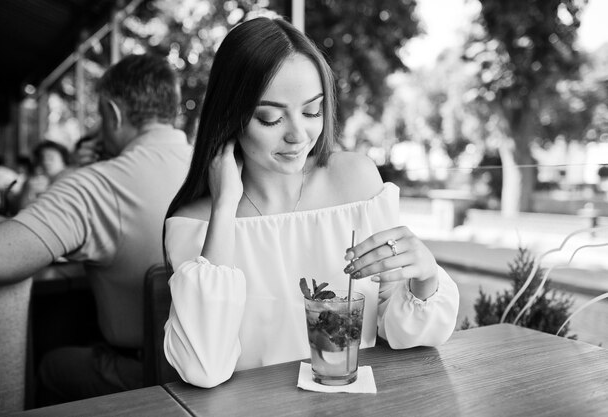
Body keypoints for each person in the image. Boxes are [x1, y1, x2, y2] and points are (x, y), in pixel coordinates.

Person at [162, 17, 459, 389]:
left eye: (312, 111)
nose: (298, 135)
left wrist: (425, 279)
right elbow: (203, 367)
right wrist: (224, 207)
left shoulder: (356, 181)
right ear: (231, 115)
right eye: (270, 118)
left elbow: (398, 328)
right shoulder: (196, 225)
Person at [0, 53, 193, 403]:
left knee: (52, 364)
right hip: (221, 370)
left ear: (113, 112)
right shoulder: (217, 167)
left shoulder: (96, 185)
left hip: (145, 378)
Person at [18, 140, 74, 209]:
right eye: (42, 158)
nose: (46, 162)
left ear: (63, 160)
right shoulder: (34, 180)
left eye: (50, 158)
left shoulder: (70, 179)